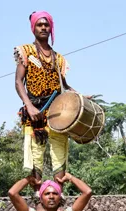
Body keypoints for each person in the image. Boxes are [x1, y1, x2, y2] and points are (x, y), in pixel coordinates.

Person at [15, 11, 78, 195]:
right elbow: (18, 82)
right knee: (35, 159)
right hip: (35, 113)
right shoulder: (26, 52)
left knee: (60, 158)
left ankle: (58, 197)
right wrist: (29, 106)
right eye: (39, 25)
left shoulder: (58, 59)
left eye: (46, 25)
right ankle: (37, 199)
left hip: (57, 113)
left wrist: (79, 97)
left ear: (51, 28)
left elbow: (64, 86)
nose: (43, 28)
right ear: (33, 28)